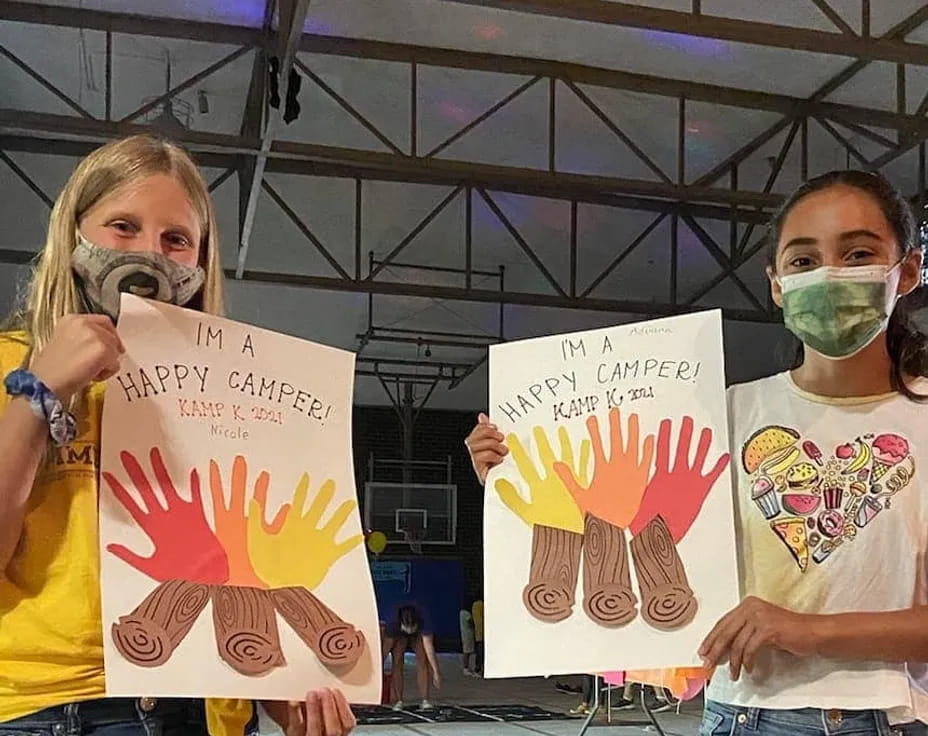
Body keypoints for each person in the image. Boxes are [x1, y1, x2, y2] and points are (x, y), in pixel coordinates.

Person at [466, 170, 928, 734]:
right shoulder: (720, 415)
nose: (828, 275)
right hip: (733, 713)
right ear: (777, 284)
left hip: (879, 718)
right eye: (803, 261)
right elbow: (628, 539)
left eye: (857, 253)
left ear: (907, 270)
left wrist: (804, 630)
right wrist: (511, 479)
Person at [0, 135, 355, 736]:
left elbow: (248, 558)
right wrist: (39, 392)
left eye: (176, 239)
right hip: (53, 708)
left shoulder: (239, 396)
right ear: (74, 237)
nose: (150, 253)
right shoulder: (11, 364)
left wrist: (290, 691)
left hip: (207, 710)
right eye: (123, 226)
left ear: (199, 261)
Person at [382, 603, 441, 710]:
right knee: (397, 661)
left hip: (418, 633)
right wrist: (378, 670)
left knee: (422, 661)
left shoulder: (425, 620)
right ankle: (399, 700)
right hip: (399, 633)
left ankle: (425, 700)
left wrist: (436, 672)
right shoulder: (392, 623)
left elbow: (429, 648)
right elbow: (385, 650)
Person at [459, 597, 477, 677]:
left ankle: (466, 667)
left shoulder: (461, 612)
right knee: (467, 651)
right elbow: (470, 622)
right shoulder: (466, 613)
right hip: (467, 634)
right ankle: (465, 668)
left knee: (468, 651)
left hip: (466, 634)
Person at [472, 595, 485, 675]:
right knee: (481, 652)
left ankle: (477, 668)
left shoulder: (474, 605)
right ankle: (480, 668)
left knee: (478, 651)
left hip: (477, 632)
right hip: (483, 631)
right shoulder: (482, 605)